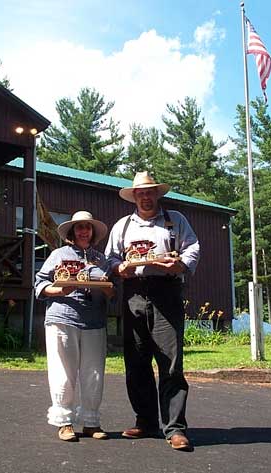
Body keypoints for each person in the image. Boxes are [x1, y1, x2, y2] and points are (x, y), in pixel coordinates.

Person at [105, 171, 200, 451]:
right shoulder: (122, 226)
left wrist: (180, 265)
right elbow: (111, 257)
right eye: (140, 193)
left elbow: (192, 247)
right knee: (136, 360)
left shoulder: (175, 221)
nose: (145, 196)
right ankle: (145, 421)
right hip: (133, 293)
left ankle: (175, 428)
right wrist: (118, 267)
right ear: (134, 196)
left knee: (170, 362)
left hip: (166, 291)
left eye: (150, 192)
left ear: (157, 194)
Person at [35, 210, 110, 442]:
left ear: (93, 231)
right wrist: (61, 290)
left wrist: (106, 287)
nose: (84, 231)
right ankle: (64, 422)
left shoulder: (101, 259)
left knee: (94, 374)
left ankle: (91, 422)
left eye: (88, 227)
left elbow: (111, 290)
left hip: (94, 321)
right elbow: (40, 284)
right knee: (63, 372)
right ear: (71, 232)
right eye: (79, 227)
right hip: (62, 317)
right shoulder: (59, 255)